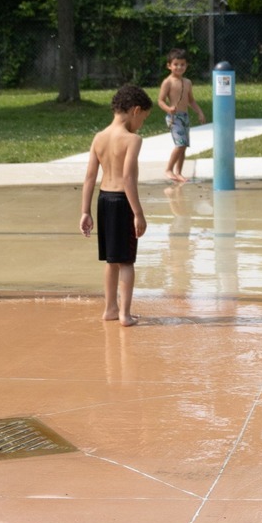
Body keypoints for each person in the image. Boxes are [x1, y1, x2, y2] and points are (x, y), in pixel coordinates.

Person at [81, 83, 151, 325]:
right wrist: (138, 213)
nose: (142, 123)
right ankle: (125, 314)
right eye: (144, 118)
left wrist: (84, 212)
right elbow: (129, 178)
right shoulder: (132, 139)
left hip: (103, 201)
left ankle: (110, 309)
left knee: (111, 260)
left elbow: (90, 177)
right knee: (127, 262)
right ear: (136, 110)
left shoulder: (99, 137)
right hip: (122, 203)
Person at [157, 49, 206, 184]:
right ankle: (168, 169)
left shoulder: (188, 82)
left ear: (186, 65)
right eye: (176, 64)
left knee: (184, 146)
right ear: (169, 66)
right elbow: (160, 100)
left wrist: (199, 112)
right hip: (174, 117)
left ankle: (178, 172)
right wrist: (168, 108)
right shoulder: (168, 82)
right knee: (180, 145)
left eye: (182, 64)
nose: (179, 67)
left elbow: (191, 100)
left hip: (185, 116)